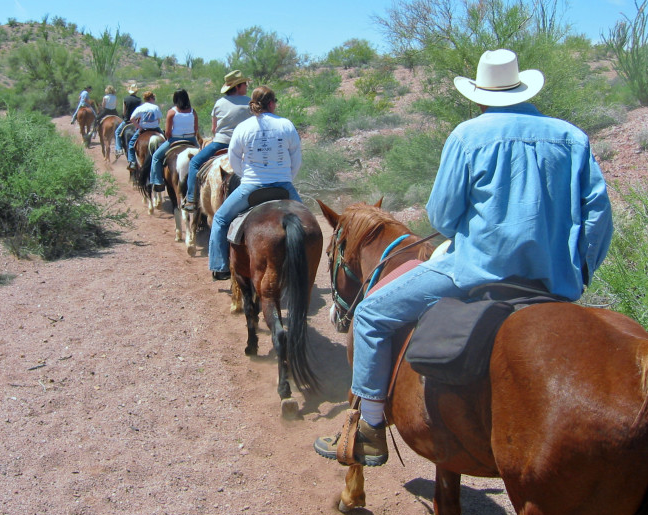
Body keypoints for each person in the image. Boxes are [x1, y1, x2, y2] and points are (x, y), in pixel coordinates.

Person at [313, 49, 614, 467]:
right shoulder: (571, 137)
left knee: (371, 316)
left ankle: (369, 430)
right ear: (522, 88)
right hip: (551, 282)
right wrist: (579, 270)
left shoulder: (468, 135)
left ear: (479, 95)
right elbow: (598, 214)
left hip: (473, 273)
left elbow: (442, 216)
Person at [207, 86, 303, 281]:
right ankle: (306, 268)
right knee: (307, 223)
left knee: (220, 219)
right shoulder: (286, 125)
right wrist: (286, 177)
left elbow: (234, 159)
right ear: (270, 103)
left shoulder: (243, 127)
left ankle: (220, 266)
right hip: (283, 186)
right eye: (275, 102)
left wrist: (247, 177)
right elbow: (296, 159)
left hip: (251, 187)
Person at [181, 70, 252, 212]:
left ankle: (191, 199)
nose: (246, 86)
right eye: (244, 84)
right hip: (245, 146)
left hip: (221, 143)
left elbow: (214, 128)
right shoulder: (250, 102)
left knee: (194, 163)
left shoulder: (219, 103)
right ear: (237, 86)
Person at [148, 88, 200, 187]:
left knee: (156, 157)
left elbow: (167, 132)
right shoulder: (193, 112)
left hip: (175, 139)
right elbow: (196, 128)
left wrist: (169, 138)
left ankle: (157, 181)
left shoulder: (172, 112)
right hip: (191, 139)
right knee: (204, 157)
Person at [126, 91, 163, 169]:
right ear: (150, 98)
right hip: (156, 129)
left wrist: (139, 127)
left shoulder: (140, 108)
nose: (154, 99)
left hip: (144, 129)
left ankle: (132, 162)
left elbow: (132, 118)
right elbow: (159, 120)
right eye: (153, 98)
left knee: (131, 144)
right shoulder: (155, 107)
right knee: (166, 141)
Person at [115, 84, 143, 157]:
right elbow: (140, 112)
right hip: (136, 122)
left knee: (117, 132)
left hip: (127, 121)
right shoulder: (139, 100)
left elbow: (124, 112)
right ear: (136, 92)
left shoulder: (125, 99)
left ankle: (119, 149)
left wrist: (124, 116)